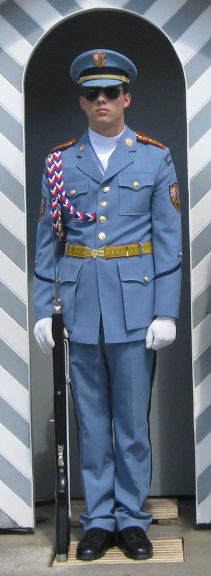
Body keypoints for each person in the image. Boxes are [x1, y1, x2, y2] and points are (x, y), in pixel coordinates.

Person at [34, 48, 182, 561]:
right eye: (93, 93)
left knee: (132, 423)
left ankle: (132, 519)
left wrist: (167, 310)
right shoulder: (59, 162)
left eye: (111, 92)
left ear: (126, 98)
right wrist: (40, 308)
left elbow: (168, 239)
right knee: (91, 421)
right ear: (82, 100)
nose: (103, 100)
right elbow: (47, 241)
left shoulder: (153, 157)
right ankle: (97, 520)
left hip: (136, 307)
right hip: (79, 306)